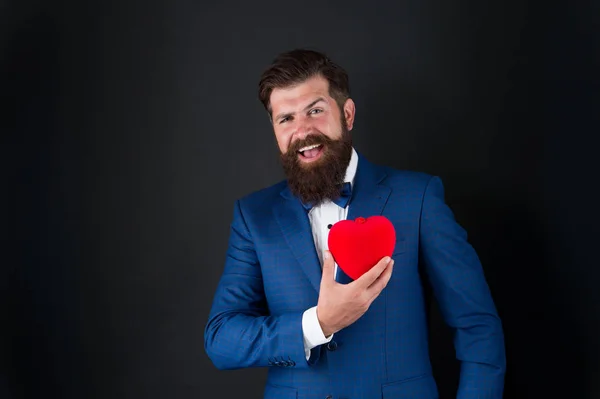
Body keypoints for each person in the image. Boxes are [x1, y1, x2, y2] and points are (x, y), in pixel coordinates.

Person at [204, 49, 505, 399]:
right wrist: (318, 324)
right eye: (285, 119)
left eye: (315, 111)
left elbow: (477, 326)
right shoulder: (253, 216)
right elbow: (221, 340)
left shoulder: (418, 198)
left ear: (347, 114)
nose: (302, 131)